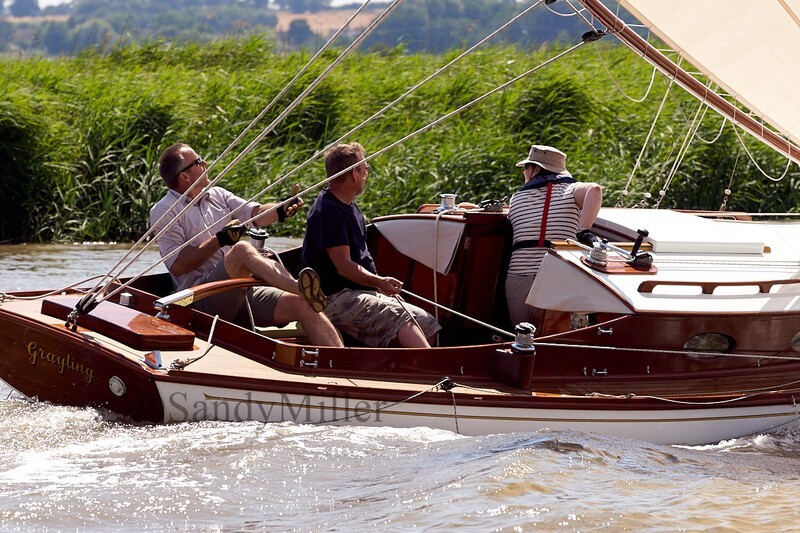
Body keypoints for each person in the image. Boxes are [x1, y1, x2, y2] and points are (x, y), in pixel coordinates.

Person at [150, 142, 343, 347]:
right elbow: (178, 265)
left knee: (304, 306)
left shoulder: (218, 194)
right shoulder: (164, 211)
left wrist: (281, 208)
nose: (205, 163)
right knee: (241, 249)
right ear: (185, 176)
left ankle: (342, 365)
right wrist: (220, 240)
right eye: (198, 161)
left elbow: (255, 214)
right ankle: (300, 287)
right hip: (201, 299)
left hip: (239, 290)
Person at [300, 142, 441, 348]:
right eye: (366, 168)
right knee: (402, 318)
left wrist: (377, 285)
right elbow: (344, 266)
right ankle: (435, 374)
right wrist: (379, 282)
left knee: (427, 324)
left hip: (360, 293)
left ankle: (402, 373)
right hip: (334, 297)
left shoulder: (349, 206)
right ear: (355, 174)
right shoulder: (328, 211)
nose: (367, 173)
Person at [505, 144, 603, 326]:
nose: (524, 173)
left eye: (526, 168)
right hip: (556, 275)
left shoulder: (516, 199)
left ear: (535, 169)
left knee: (521, 338)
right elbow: (595, 190)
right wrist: (583, 230)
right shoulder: (571, 190)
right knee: (553, 338)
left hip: (517, 277)